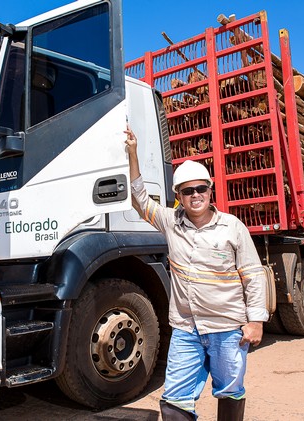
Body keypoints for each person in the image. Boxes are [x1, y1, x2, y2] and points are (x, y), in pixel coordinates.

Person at [124, 127, 268, 421]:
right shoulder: (170, 223)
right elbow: (139, 199)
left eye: (201, 188)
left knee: (230, 390)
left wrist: (256, 321)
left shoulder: (232, 227)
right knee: (174, 398)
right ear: (178, 196)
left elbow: (253, 275)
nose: (196, 195)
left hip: (228, 329)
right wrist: (132, 153)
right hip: (186, 330)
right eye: (187, 191)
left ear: (210, 190)